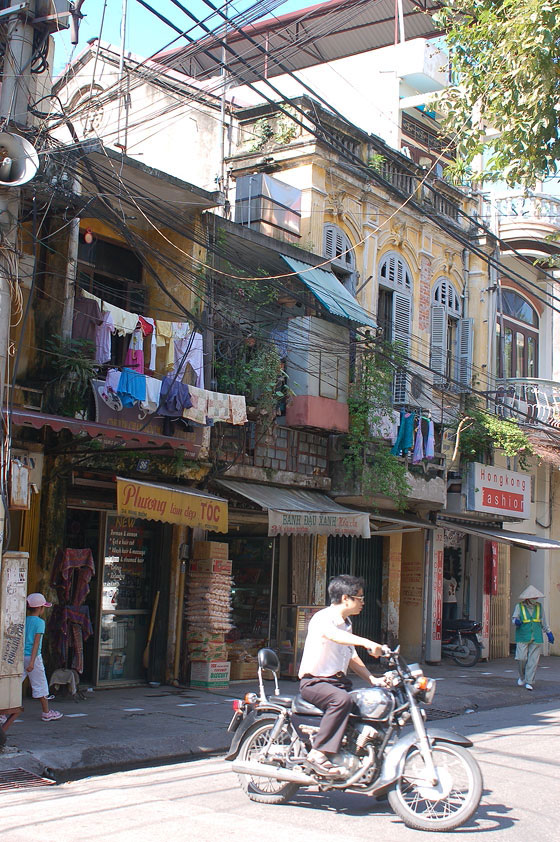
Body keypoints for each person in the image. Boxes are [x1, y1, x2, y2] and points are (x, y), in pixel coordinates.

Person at [298, 574, 384, 778]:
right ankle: (318, 754)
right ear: (346, 598)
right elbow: (333, 635)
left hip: (337, 682)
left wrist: (373, 680)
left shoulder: (346, 623)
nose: (363, 603)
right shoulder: (323, 618)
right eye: (360, 598)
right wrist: (366, 642)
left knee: (368, 705)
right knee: (341, 701)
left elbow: (351, 656)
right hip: (315, 682)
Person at [23, 593, 63, 721]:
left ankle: (2, 713)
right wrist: (32, 662)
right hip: (33, 657)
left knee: (13, 684)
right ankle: (46, 712)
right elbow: (36, 643)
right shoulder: (40, 623)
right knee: (40, 684)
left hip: (20, 656)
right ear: (40, 608)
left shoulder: (23, 620)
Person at [512, 585, 554, 691]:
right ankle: (522, 677)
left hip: (536, 636)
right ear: (528, 598)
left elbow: (544, 621)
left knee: (533, 661)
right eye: (534, 598)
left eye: (536, 598)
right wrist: (516, 621)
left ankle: (529, 681)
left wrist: (549, 633)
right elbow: (514, 619)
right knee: (521, 658)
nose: (536, 599)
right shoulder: (519, 606)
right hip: (522, 636)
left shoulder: (539, 607)